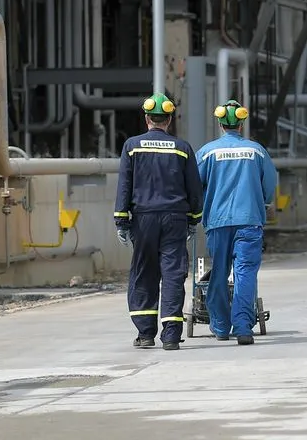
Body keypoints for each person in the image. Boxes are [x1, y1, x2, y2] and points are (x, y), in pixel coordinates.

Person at [113, 91, 203, 351]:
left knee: (144, 273)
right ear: (169, 120)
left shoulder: (132, 146)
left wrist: (121, 220)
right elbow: (194, 189)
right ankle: (171, 336)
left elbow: (124, 185)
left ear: (147, 119)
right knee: (173, 274)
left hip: (143, 219)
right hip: (175, 218)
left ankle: (145, 334)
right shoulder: (183, 149)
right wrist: (193, 220)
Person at [196, 99, 278, 346]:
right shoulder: (256, 151)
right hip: (249, 220)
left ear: (220, 123)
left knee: (219, 273)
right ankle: (243, 328)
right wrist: (261, 200)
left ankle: (220, 327)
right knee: (245, 273)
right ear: (241, 123)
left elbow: (195, 185)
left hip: (218, 222)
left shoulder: (207, 152)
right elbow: (270, 184)